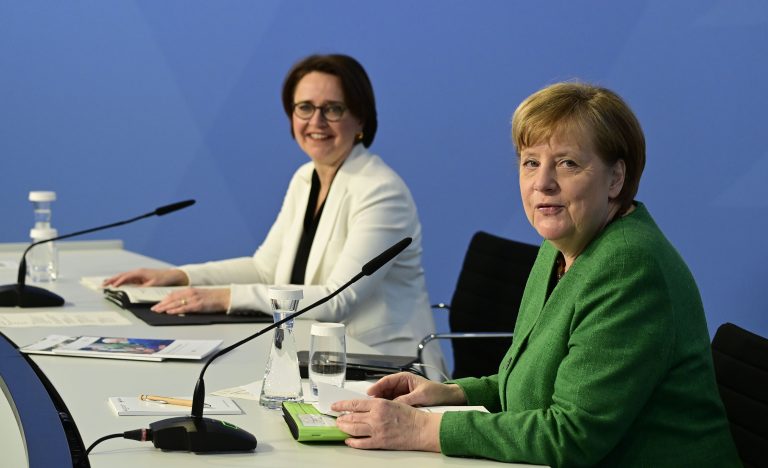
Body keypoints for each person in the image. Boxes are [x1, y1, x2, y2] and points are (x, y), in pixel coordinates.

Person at [332, 82, 741, 466]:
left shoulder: (629, 269)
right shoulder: (561, 247)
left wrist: (423, 428)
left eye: (567, 163)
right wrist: (452, 393)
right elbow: (530, 386)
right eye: (530, 163)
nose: (542, 183)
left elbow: (572, 435)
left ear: (616, 178)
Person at [105, 54, 444, 374]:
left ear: (361, 119)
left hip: (386, 366)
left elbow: (337, 299)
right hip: (321, 357)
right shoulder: (306, 177)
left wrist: (223, 298)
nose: (316, 122)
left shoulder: (380, 190)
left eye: (334, 109)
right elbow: (265, 269)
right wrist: (182, 277)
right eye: (305, 108)